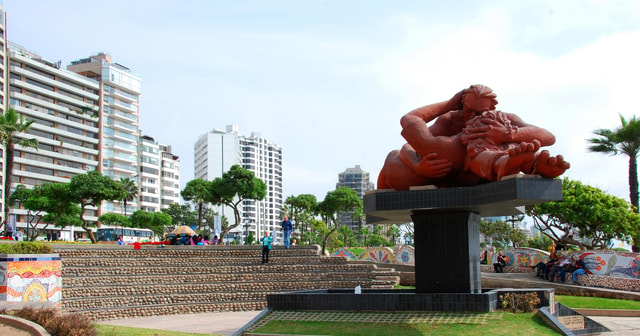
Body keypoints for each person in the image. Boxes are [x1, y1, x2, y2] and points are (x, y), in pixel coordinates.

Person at [377, 84, 570, 190]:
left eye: (481, 113)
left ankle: (531, 165)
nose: (474, 117)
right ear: (461, 106)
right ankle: (516, 164)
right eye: (469, 110)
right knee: (395, 159)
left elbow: (548, 136)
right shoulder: (450, 121)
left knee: (505, 150)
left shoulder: (499, 121)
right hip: (440, 174)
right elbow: (409, 145)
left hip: (480, 172)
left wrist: (509, 134)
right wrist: (417, 165)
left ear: (491, 110)